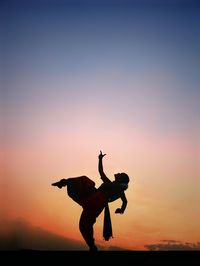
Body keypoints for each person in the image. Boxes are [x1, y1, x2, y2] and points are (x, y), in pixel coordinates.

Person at [51, 151, 130, 251]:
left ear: (121, 179)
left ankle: (92, 246)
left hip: (96, 201)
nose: (118, 173)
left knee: (84, 225)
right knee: (84, 225)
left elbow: (124, 201)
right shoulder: (114, 186)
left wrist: (121, 209)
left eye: (120, 174)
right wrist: (100, 159)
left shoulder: (117, 188)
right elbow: (102, 173)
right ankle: (92, 246)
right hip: (95, 199)